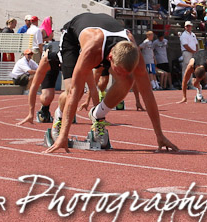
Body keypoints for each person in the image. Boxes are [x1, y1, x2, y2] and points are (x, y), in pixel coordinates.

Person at [44, 13, 178, 154]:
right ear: (110, 58)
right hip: (72, 38)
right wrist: (64, 136)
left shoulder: (135, 55)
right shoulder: (91, 52)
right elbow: (73, 92)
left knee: (128, 80)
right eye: (118, 71)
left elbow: (148, 94)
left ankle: (97, 114)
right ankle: (59, 117)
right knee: (74, 91)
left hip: (107, 35)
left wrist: (159, 135)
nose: (120, 75)